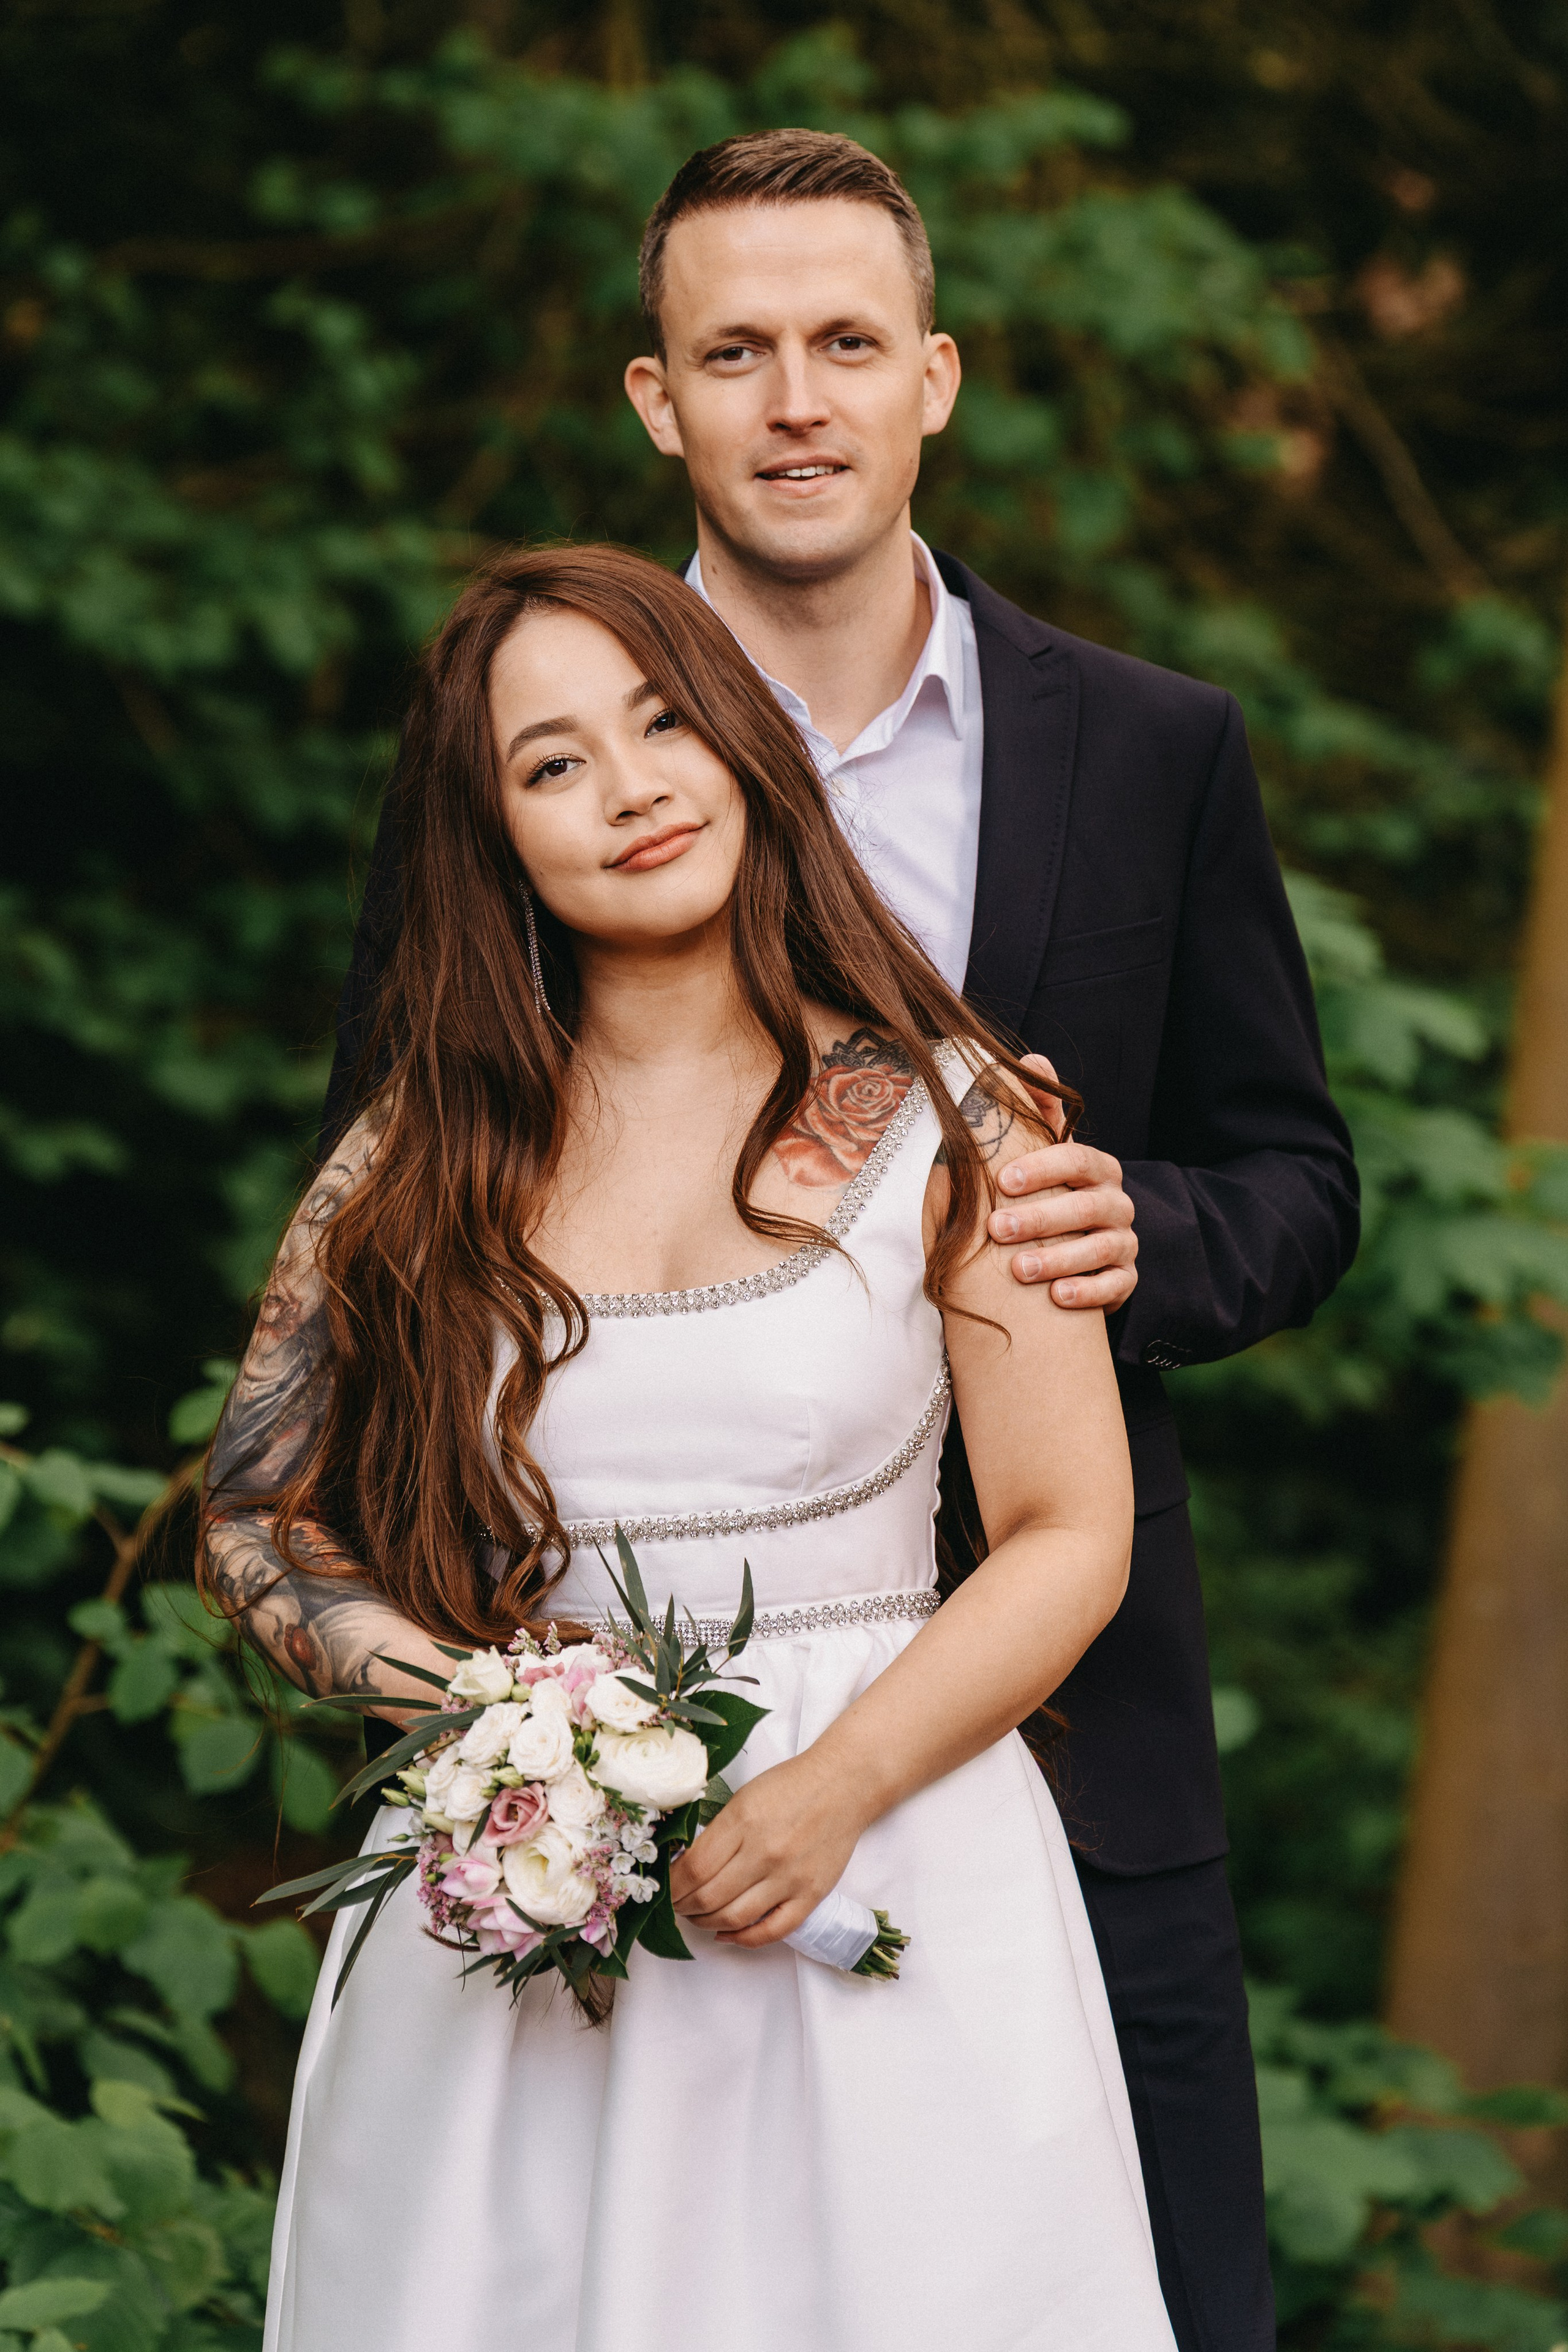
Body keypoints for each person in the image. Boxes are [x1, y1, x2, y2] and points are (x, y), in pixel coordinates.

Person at [318, 134, 1359, 2348]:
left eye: (848, 345)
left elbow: (1294, 1177)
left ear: (935, 379)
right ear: (655, 399)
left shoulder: (1153, 749)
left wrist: (1112, 1227)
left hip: (1071, 1714)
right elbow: (404, 1219)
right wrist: (499, 1717)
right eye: (736, 353)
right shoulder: (540, 755)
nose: (796, 401)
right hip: (609, 1755)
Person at [207, 541, 1180, 2351]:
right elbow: (259, 1515)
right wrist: (496, 1730)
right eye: (551, 762)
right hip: (521, 1897)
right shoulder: (414, 1156)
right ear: (492, 835)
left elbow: (1070, 1529)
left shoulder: (958, 1110)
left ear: (742, 740)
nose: (630, 787)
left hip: (890, 1850)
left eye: (662, 722)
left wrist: (836, 1788)